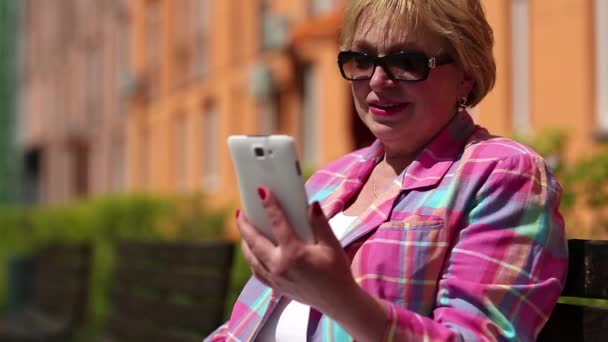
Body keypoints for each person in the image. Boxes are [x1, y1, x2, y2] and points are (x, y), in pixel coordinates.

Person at [206, 0, 567, 340]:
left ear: (466, 75)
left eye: (407, 62)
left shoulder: (502, 173)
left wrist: (339, 297)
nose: (377, 80)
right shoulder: (330, 178)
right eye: (361, 60)